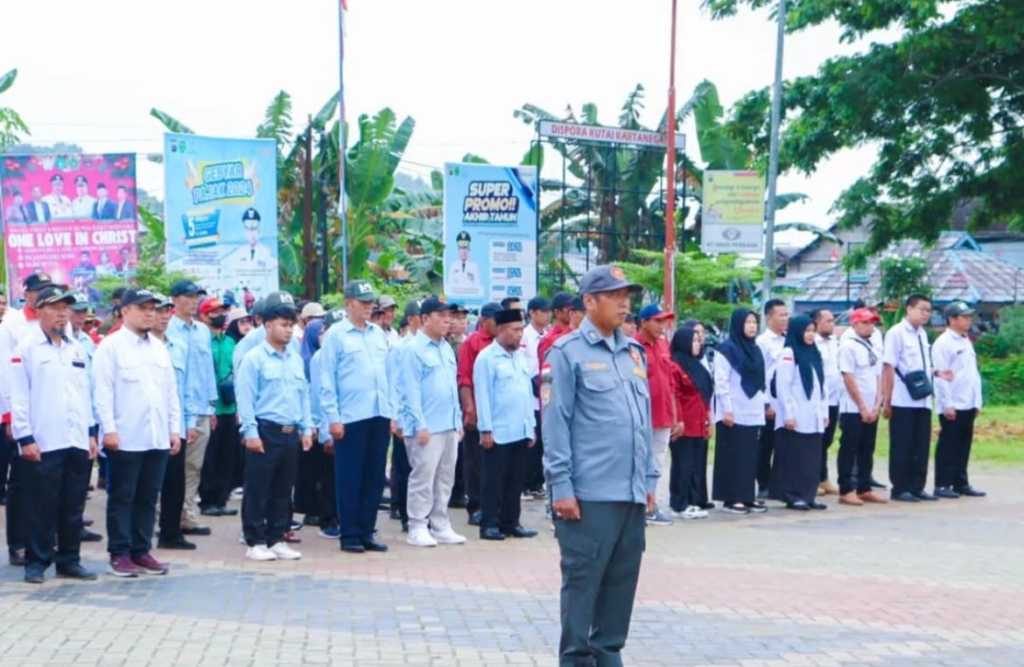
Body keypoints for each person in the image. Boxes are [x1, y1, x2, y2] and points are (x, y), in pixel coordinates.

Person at [543, 264, 656, 667]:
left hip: (629, 494)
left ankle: (608, 657)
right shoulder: (565, 353)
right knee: (582, 589)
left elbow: (643, 421)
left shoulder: (634, 353)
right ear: (589, 301)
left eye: (626, 295)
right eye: (613, 295)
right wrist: (561, 486)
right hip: (588, 496)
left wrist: (649, 479)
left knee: (620, 592)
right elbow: (556, 424)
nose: (624, 303)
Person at [11, 286, 99, 583]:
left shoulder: (76, 348)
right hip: (44, 440)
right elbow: (19, 396)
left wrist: (90, 432)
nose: (63, 314)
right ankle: (36, 562)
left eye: (66, 308)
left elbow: (83, 393)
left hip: (75, 437)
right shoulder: (27, 348)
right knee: (41, 506)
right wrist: (25, 438)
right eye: (55, 308)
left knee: (73, 505)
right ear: (39, 312)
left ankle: (69, 560)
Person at [93, 288, 182, 577]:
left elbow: (170, 392)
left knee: (148, 496)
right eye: (143, 308)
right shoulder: (111, 346)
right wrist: (108, 429)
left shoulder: (158, 347)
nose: (149, 313)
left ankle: (141, 550)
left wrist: (174, 429)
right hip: (125, 437)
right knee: (122, 497)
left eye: (152, 308)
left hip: (156, 436)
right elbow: (102, 393)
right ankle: (119, 553)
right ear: (125, 311)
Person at [236, 292, 312, 561]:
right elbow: (245, 398)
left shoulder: (294, 358)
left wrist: (306, 428)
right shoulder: (254, 358)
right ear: (268, 325)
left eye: (291, 325)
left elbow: (303, 395)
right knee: (258, 489)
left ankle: (277, 537)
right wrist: (250, 432)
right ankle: (255, 540)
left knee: (283, 489)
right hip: (265, 430)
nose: (289, 330)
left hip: (290, 431)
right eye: (283, 324)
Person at [319, 280, 393, 554]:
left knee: (374, 477)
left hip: (379, 412)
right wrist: (333, 418)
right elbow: (327, 380)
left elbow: (388, 375)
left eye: (370, 302)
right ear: (348, 303)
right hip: (351, 416)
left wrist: (392, 412)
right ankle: (349, 533)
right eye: (363, 302)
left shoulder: (378, 334)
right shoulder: (336, 335)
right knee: (350, 477)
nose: (368, 307)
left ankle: (366, 531)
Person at [0, 272, 60, 566]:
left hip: (51, 412)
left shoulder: (56, 323)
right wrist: (11, 416)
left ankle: (46, 540)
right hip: (22, 413)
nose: (43, 295)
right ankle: (19, 543)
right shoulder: (12, 324)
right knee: (21, 481)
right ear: (27, 295)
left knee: (48, 480)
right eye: (39, 291)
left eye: (49, 289)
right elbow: (6, 372)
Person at [398, 297, 466, 547]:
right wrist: (420, 424)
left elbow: (451, 388)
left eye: (450, 316)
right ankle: (417, 525)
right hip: (426, 426)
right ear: (425, 319)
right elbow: (410, 390)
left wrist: (457, 421)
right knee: (422, 478)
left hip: (447, 424)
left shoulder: (446, 348)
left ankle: (440, 524)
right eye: (442, 316)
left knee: (445, 478)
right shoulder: (413, 349)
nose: (448, 320)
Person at [474, 308, 538, 541]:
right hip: (498, 431)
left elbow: (526, 393)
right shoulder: (487, 358)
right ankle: (489, 524)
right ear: (500, 330)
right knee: (493, 481)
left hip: (520, 429)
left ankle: (511, 523)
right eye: (515, 330)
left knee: (515, 480)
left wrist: (531, 426)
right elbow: (483, 395)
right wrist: (485, 429)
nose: (520, 334)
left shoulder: (520, 357)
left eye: (521, 329)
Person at [882, 294, 948, 502]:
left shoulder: (922, 334)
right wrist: (887, 400)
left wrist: (937, 372)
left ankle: (917, 486)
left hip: (922, 399)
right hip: (902, 399)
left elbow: (921, 366)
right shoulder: (896, 333)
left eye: (928, 310)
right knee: (902, 445)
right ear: (909, 309)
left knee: (921, 444)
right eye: (922, 309)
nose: (925, 314)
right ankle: (900, 487)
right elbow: (888, 366)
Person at [166, 279, 218, 538]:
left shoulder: (202, 331)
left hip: (200, 408)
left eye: (197, 296)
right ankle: (166, 515)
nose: (194, 301)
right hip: (176, 411)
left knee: (194, 466)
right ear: (175, 300)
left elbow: (208, 370)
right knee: (173, 467)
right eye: (188, 296)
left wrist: (211, 405)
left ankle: (186, 514)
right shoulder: (167, 330)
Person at [150, 294, 195, 551]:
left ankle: (170, 532)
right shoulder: (138, 347)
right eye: (158, 311)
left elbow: (186, 388)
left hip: (174, 424)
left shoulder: (178, 347)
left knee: (175, 481)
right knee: (146, 483)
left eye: (167, 311)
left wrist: (188, 422)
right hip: (147, 424)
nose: (164, 316)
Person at [770, 314, 829, 511]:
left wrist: (824, 412)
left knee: (811, 458)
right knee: (795, 457)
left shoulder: (814, 352)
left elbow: (822, 385)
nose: (811, 335)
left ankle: (808, 494)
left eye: (813, 331)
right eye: (807, 331)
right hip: (795, 415)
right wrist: (788, 414)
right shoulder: (789, 352)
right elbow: (783, 386)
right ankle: (793, 495)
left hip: (813, 416)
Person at [712, 308, 767, 515]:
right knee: (733, 455)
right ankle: (731, 498)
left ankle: (746, 496)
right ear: (738, 324)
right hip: (733, 410)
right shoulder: (726, 350)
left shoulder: (755, 349)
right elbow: (721, 381)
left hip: (752, 409)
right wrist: (727, 409)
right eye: (748, 322)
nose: (752, 326)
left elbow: (761, 379)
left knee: (749, 456)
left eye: (754, 322)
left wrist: (764, 404)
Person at [932, 301, 986, 498]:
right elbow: (941, 377)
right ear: (952, 319)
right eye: (964, 317)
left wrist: (977, 401)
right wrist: (948, 404)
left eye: (969, 316)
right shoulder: (943, 343)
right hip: (953, 402)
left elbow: (972, 373)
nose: (968, 320)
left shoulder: (965, 340)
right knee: (949, 444)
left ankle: (960, 483)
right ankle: (942, 484)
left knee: (964, 444)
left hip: (968, 400)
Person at [635, 304, 681, 526]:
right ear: (643, 322)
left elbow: (670, 382)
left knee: (657, 460)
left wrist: (675, 413)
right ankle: (638, 504)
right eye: (657, 320)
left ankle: (650, 504)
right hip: (641, 415)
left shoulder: (663, 345)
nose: (662, 325)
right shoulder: (633, 346)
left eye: (664, 321)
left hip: (663, 414)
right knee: (638, 459)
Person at [836, 308, 887, 506]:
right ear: (854, 324)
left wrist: (877, 402)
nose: (870, 326)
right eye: (865, 322)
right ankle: (846, 488)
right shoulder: (848, 346)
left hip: (871, 406)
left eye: (872, 322)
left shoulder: (873, 346)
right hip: (852, 407)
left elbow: (878, 374)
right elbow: (848, 377)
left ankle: (864, 487)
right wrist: (862, 406)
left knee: (867, 447)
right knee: (850, 447)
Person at [456, 301, 501, 526]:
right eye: (495, 321)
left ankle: (495, 507)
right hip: (477, 408)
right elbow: (464, 378)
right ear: (484, 321)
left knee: (496, 462)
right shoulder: (472, 343)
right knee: (474, 461)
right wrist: (470, 409)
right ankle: (475, 506)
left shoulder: (503, 342)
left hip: (499, 411)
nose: (499, 325)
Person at [198, 298, 241, 517]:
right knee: (210, 457)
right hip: (210, 407)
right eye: (215, 312)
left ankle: (222, 499)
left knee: (227, 456)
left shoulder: (230, 342)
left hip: (229, 406)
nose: (220, 315)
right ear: (204, 316)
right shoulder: (201, 341)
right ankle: (207, 500)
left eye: (222, 311)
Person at [668, 325, 712, 519]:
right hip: (684, 424)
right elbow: (674, 395)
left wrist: (709, 419)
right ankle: (679, 504)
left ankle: (693, 501)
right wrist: (678, 420)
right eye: (693, 341)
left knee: (696, 465)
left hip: (699, 422)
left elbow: (705, 394)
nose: (697, 344)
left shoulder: (698, 365)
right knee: (682, 465)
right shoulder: (675, 366)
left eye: (698, 341)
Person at [306, 310, 343, 538]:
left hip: (348, 423)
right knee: (329, 476)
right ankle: (328, 519)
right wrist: (324, 431)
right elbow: (318, 396)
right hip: (329, 425)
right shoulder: (321, 357)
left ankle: (342, 517)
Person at [755, 299, 788, 498]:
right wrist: (766, 403)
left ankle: (779, 484)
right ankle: (764, 484)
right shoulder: (762, 342)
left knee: (783, 445)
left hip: (786, 403)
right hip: (769, 402)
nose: (785, 319)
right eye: (781, 315)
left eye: (786, 315)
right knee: (766, 444)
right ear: (769, 318)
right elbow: (760, 375)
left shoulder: (788, 340)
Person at [521, 296, 550, 499]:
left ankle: (537, 482)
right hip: (529, 393)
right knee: (531, 441)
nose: (547, 316)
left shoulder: (547, 336)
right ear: (532, 313)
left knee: (542, 442)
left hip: (544, 390)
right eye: (543, 312)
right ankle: (525, 483)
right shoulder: (524, 336)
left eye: (549, 312)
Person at [812, 309, 842, 496]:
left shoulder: (834, 343)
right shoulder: (812, 342)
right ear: (817, 322)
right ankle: (811, 479)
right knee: (815, 441)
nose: (832, 324)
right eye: (828, 321)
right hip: (817, 401)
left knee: (827, 440)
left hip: (833, 399)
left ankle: (823, 477)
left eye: (833, 321)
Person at [224, 209, 278, 298]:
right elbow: (229, 275)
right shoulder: (237, 254)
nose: (252, 234)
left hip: (262, 298)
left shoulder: (266, 253)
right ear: (244, 232)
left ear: (259, 231)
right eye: (248, 230)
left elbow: (272, 280)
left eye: (254, 229)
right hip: (242, 298)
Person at [538, 292, 575, 367]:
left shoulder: (576, 332)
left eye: (574, 307)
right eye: (568, 307)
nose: (572, 311)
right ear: (557, 312)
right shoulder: (548, 339)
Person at [448, 231, 483, 297]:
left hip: (470, 298)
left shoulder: (474, 266)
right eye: (461, 249)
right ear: (458, 250)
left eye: (465, 249)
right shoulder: (453, 265)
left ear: (469, 249)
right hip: (456, 298)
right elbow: (449, 285)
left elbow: (478, 286)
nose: (464, 252)